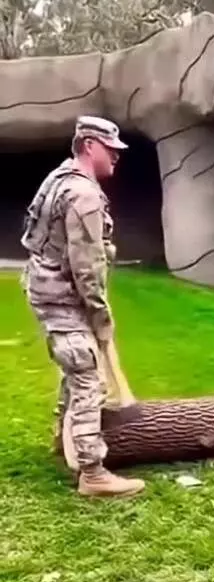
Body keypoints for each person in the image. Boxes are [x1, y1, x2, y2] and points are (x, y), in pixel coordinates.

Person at [21, 115, 145, 498]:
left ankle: (63, 438)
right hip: (62, 294)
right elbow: (87, 269)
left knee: (74, 363)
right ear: (90, 146)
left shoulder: (59, 178)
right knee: (90, 376)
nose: (117, 157)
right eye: (111, 149)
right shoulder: (84, 195)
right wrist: (101, 319)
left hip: (43, 288)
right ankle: (92, 472)